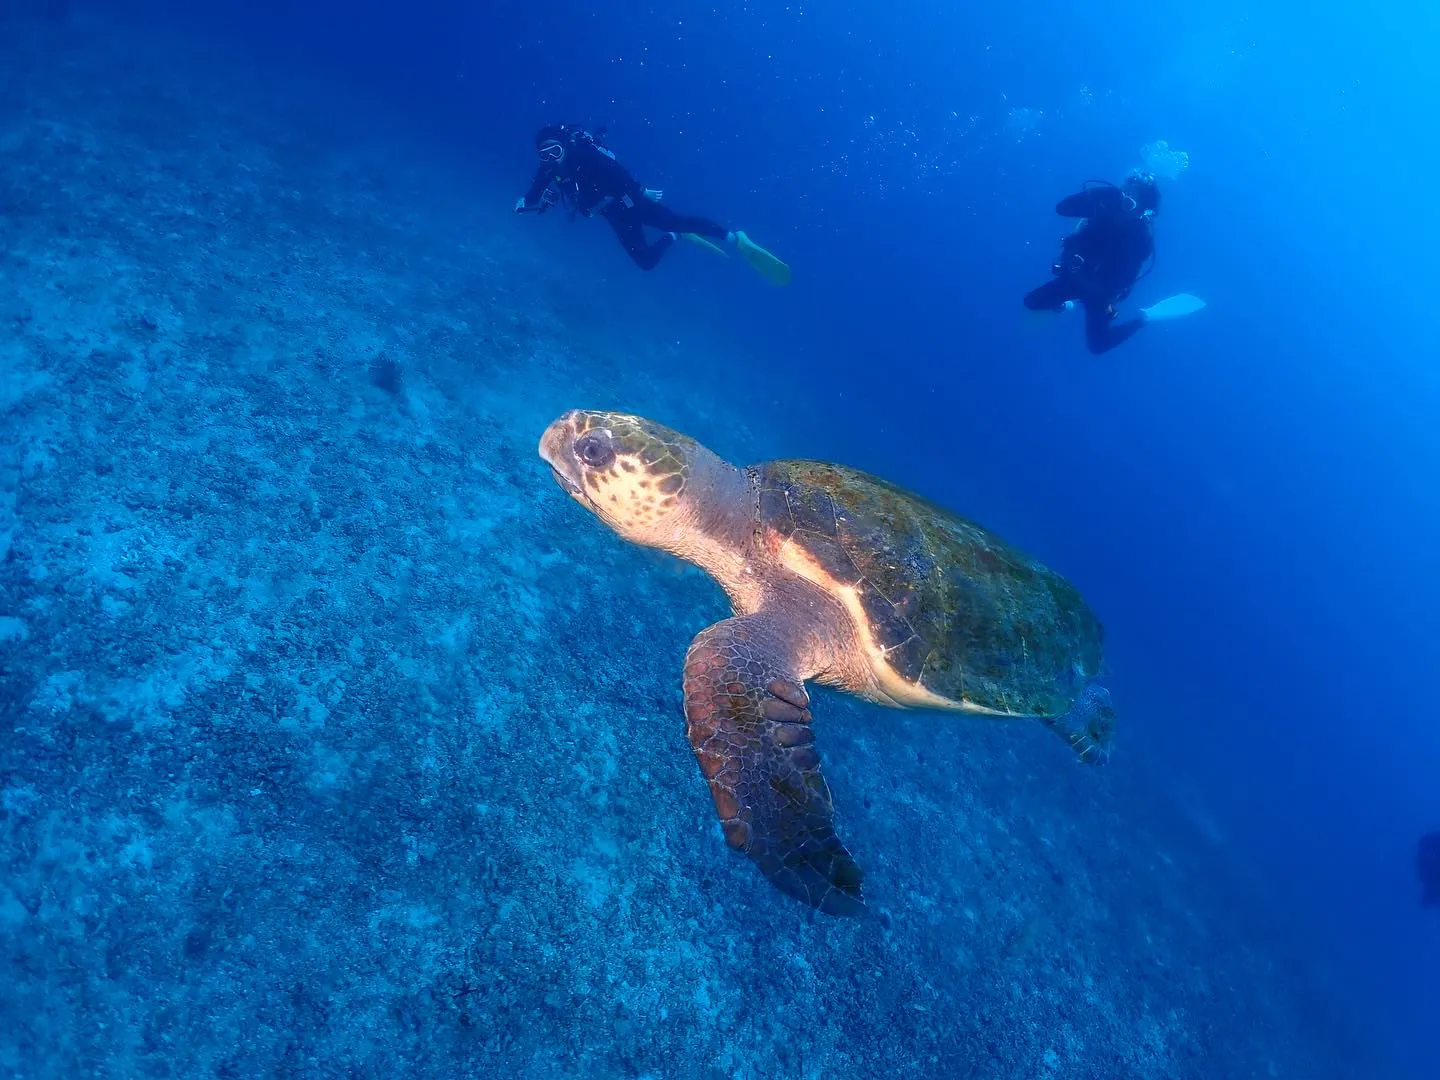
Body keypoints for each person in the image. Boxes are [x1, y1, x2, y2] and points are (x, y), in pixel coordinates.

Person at [514, 123, 790, 284]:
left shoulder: (585, 156)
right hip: (613, 214)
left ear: (565, 146)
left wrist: (640, 191)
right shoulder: (549, 170)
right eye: (544, 154)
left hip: (630, 202)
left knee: (678, 220)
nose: (551, 158)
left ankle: (734, 238)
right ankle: (674, 238)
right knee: (646, 262)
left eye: (555, 151)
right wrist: (524, 202)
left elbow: (618, 173)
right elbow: (534, 192)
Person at [1023, 171, 1161, 355]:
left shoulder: (1140, 240)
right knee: (1031, 302)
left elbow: (1124, 282)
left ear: (1141, 211)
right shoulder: (1103, 206)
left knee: (1097, 345)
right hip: (1074, 278)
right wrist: (1099, 195)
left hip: (1099, 295)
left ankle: (1143, 320)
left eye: (1129, 203)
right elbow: (1062, 208)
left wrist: (1100, 298)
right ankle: (1065, 305)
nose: (1121, 205)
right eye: (1121, 195)